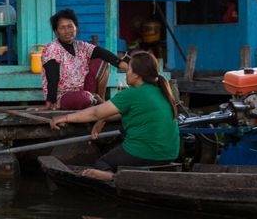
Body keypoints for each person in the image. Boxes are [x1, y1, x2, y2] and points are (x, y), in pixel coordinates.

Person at [49, 52, 181, 180]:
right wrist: (104, 118)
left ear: (136, 75)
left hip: (145, 153)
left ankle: (113, 177)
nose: (126, 73)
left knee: (102, 163)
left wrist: (65, 118)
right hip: (170, 154)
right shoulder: (162, 92)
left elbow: (95, 112)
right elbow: (121, 112)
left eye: (128, 69)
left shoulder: (132, 94)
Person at [41, 8, 127, 110]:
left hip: (82, 90)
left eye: (70, 26)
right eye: (62, 28)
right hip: (62, 96)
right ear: (56, 32)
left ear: (76, 28)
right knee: (85, 98)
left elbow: (103, 53)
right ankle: (95, 100)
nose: (67, 31)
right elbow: (52, 77)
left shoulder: (82, 46)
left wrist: (125, 66)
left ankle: (96, 98)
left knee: (102, 60)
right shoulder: (52, 49)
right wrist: (50, 102)